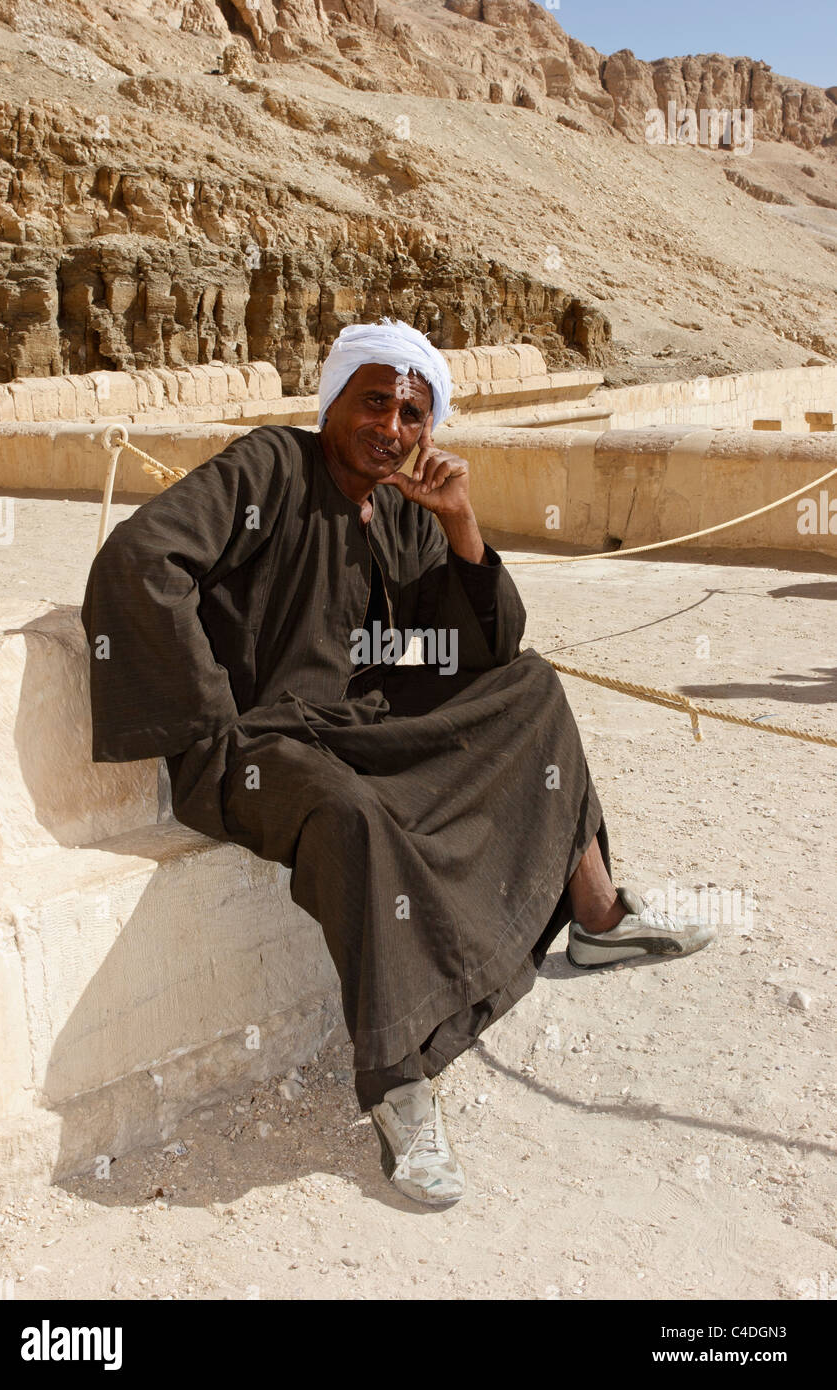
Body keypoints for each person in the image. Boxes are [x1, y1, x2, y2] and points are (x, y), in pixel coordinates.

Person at [81, 319, 715, 1208]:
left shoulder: (406, 509)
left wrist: (460, 523)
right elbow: (143, 558)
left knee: (530, 688)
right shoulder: (271, 466)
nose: (392, 426)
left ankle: (599, 914)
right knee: (352, 816)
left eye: (413, 412)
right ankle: (396, 1082)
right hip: (261, 748)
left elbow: (479, 651)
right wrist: (211, 719)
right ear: (333, 400)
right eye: (374, 401)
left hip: (363, 727)